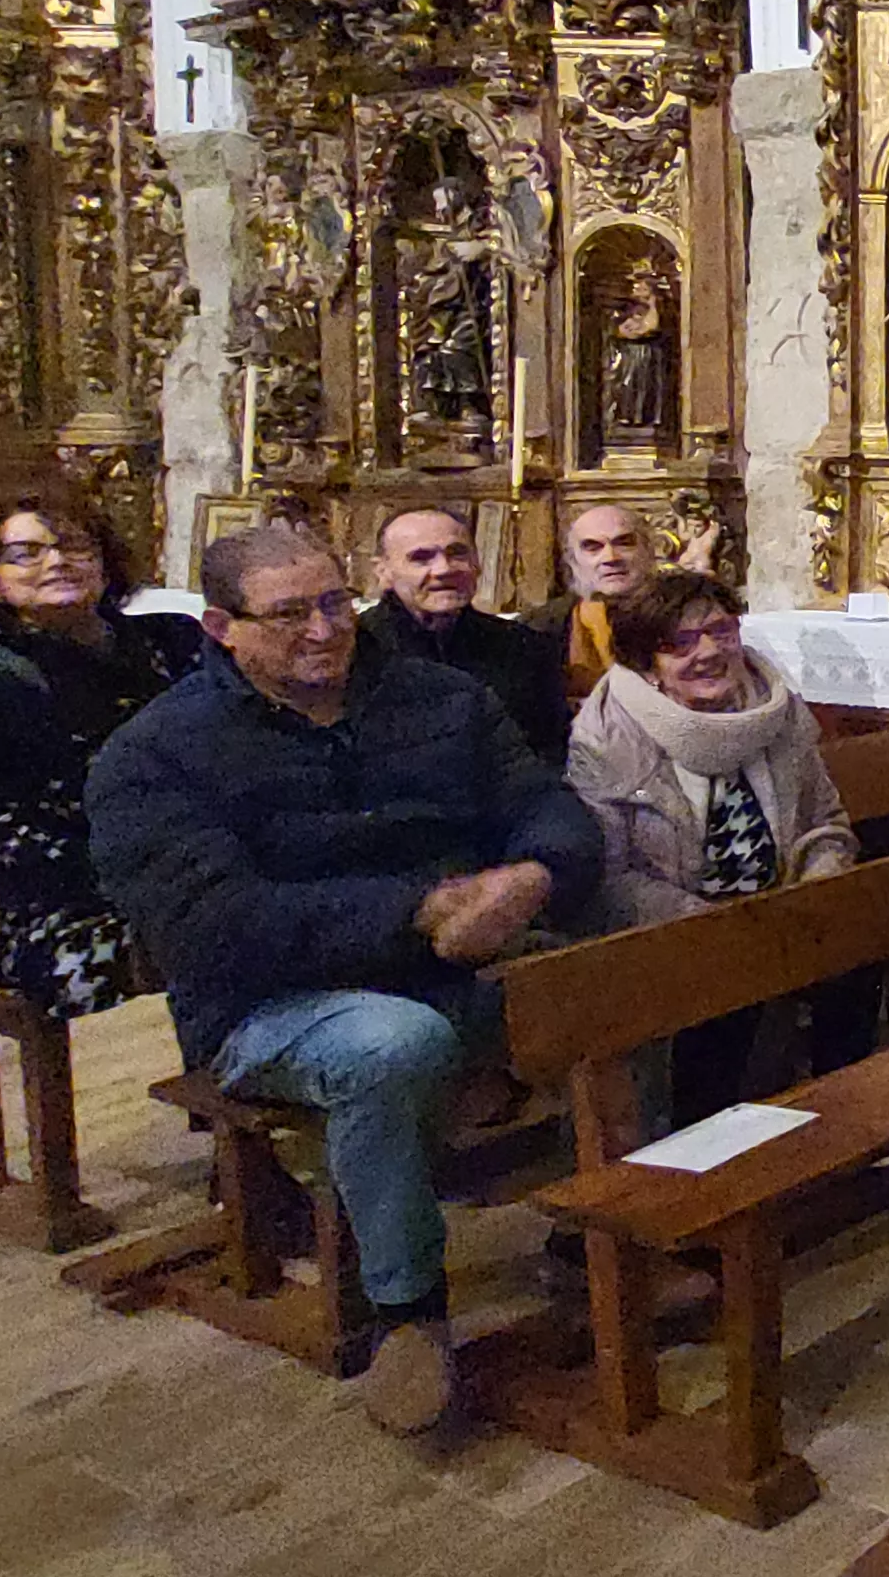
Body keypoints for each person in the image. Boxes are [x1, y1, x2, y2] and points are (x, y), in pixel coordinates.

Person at [91, 523, 603, 1438]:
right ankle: (407, 1310)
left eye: (335, 604)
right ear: (220, 627)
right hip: (268, 1004)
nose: (325, 630)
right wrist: (418, 911)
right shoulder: (154, 756)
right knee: (394, 1045)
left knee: (622, 966)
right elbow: (217, 927)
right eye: (289, 615)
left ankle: (602, 1234)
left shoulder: (438, 699)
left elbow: (546, 802)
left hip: (454, 958)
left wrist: (533, 875)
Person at [566, 569, 862, 1122]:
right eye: (679, 643)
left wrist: (821, 881)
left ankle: (840, 1123)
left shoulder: (778, 711)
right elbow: (610, 875)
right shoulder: (606, 737)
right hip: (674, 924)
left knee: (855, 949)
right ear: (645, 664)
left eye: (721, 631)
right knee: (721, 989)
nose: (708, 652)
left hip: (780, 907)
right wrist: (708, 923)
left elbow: (824, 818)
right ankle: (710, 1151)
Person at [0, 491, 208, 1018]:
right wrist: (155, 877)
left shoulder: (176, 639)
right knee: (243, 941)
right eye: (26, 552)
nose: (57, 561)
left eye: (74, 544)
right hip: (68, 912)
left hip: (208, 876)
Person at [361, 505, 571, 764]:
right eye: (421, 558)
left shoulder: (526, 647)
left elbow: (550, 753)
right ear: (383, 571)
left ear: (477, 564)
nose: (444, 569)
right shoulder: (358, 648)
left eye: (457, 553)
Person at [528, 502, 680, 706]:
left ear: (649, 550)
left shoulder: (686, 616)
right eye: (592, 547)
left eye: (624, 543)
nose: (610, 557)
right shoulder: (537, 630)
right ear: (573, 561)